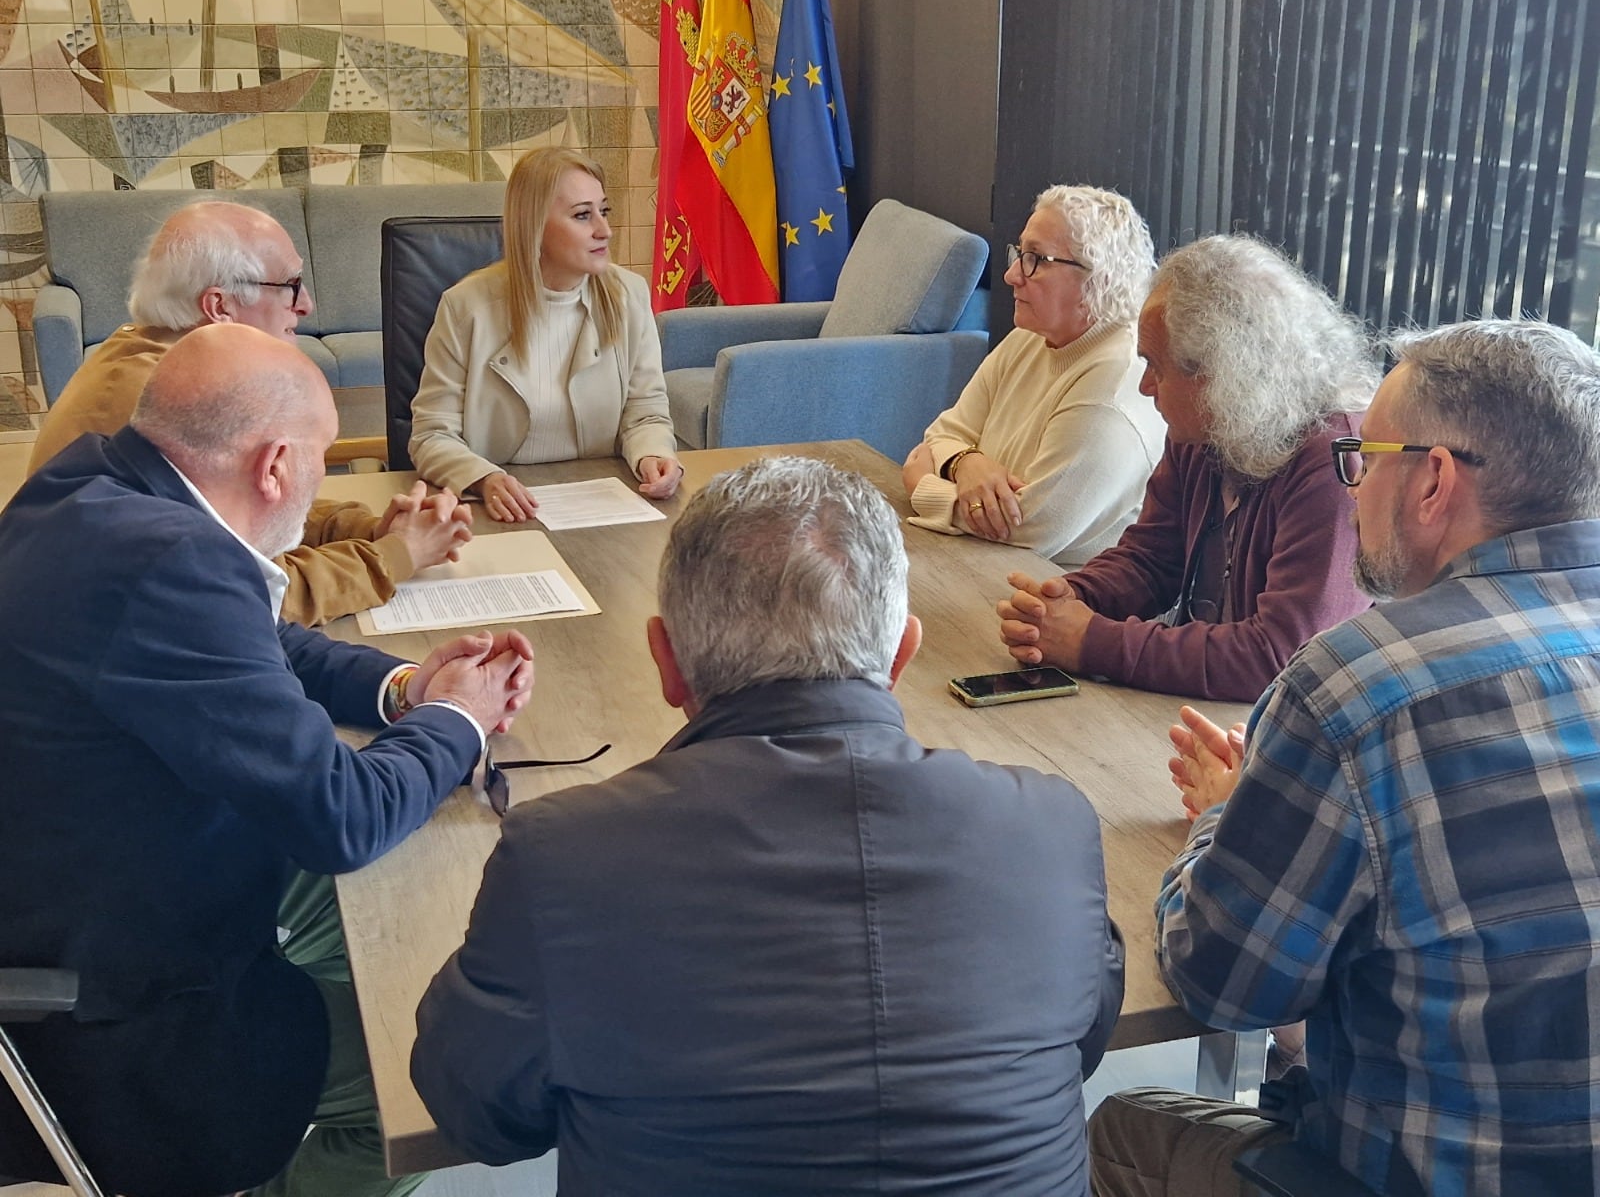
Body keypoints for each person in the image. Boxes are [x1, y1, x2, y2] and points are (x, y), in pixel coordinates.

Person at [410, 456, 1124, 1196]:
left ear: (667, 663)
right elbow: (1079, 1046)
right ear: (902, 655)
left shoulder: (560, 859)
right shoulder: (1054, 830)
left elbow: (477, 1114)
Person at [0, 324, 534, 1197]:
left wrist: (403, 690)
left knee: (399, 918)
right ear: (276, 465)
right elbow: (342, 817)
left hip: (101, 868)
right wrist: (457, 722)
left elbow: (263, 644)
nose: (328, 480)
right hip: (122, 1009)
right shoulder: (172, 561)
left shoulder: (93, 482)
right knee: (438, 1081)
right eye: (326, 459)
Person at [1090, 319, 1600, 1195]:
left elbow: (1221, 980)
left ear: (1433, 480)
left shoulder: (1355, 686)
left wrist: (1225, 814)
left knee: (1123, 1126)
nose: (1352, 487)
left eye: (1363, 457)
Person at [26, 200, 472, 626]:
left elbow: (256, 510)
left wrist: (368, 529)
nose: (306, 305)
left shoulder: (149, 353)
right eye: (290, 285)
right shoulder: (176, 405)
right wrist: (396, 555)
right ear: (219, 306)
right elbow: (260, 594)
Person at [997, 234, 1378, 702]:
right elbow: (1153, 558)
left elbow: (1282, 657)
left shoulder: (1335, 463)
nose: (1144, 386)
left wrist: (1091, 641)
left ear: (1222, 374)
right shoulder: (1205, 429)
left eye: (1156, 366)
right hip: (1201, 713)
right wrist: (1071, 599)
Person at [409, 146, 681, 521]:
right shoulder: (465, 308)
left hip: (603, 505)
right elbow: (430, 435)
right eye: (582, 215)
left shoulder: (628, 296)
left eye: (604, 211)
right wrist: (482, 477)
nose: (605, 230)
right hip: (501, 510)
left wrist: (654, 455)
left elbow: (645, 413)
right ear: (534, 227)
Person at [901, 184, 1165, 566]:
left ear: (1098, 278)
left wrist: (927, 488)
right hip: (984, 563)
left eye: (1037, 259)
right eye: (1020, 253)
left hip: (1063, 596)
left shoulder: (1113, 385)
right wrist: (966, 463)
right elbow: (942, 434)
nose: (1011, 275)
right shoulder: (1030, 336)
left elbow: (1035, 529)